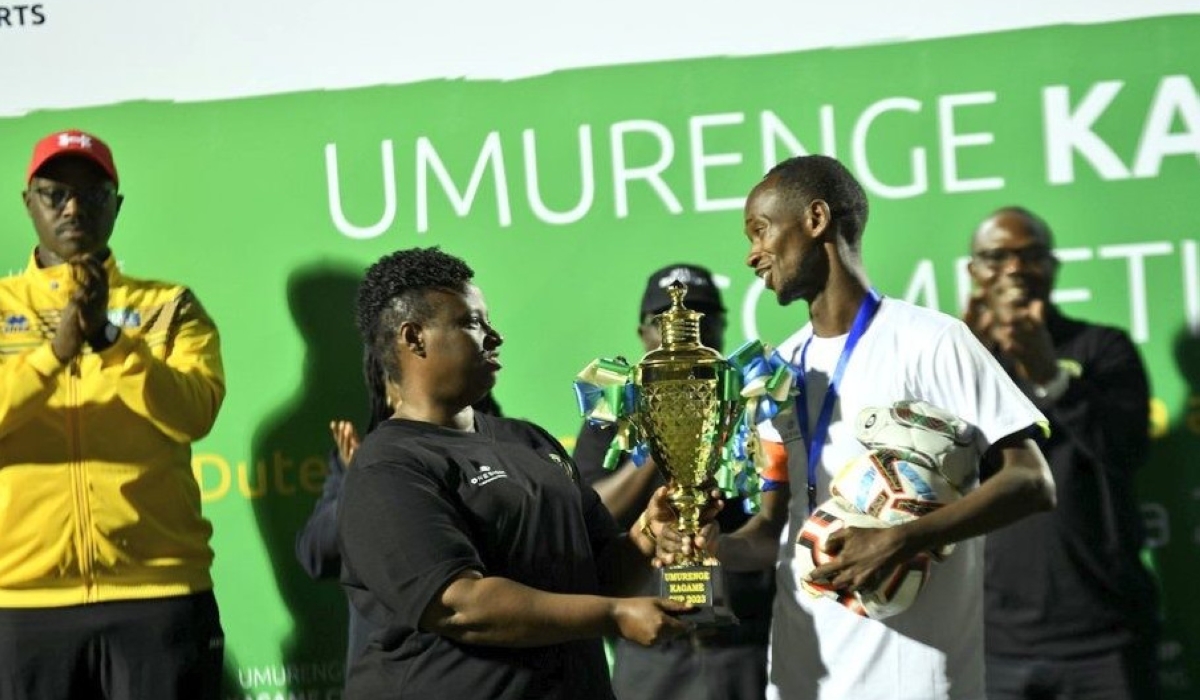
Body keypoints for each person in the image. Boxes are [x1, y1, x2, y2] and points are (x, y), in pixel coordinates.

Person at [663, 155, 1057, 700]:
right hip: (805, 677)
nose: (752, 254)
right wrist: (709, 549)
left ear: (816, 219)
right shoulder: (778, 371)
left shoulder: (933, 341)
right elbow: (773, 529)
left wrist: (901, 538)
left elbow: (1032, 482)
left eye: (760, 230)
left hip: (915, 678)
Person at [336, 246, 694, 700]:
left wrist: (645, 538)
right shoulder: (388, 467)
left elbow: (599, 575)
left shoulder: (528, 441)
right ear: (414, 338)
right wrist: (615, 615)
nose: (494, 336)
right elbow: (462, 606)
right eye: (472, 323)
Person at [0, 130, 226, 699]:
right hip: (21, 601)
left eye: (93, 194)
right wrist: (52, 356)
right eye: (54, 194)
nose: (73, 208)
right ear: (28, 202)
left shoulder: (169, 305)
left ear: (117, 206)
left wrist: (107, 338)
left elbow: (194, 412)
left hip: (161, 593)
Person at [964, 207, 1160, 700]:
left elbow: (1125, 450)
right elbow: (938, 468)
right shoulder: (962, 360)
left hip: (1104, 637)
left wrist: (1052, 377)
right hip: (993, 639)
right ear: (974, 272)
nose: (1014, 269)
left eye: (1030, 255)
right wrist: (971, 359)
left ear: (1052, 268)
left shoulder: (1102, 349)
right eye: (997, 257)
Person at [572, 263, 772, 699]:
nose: (680, 333)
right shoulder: (616, 408)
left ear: (719, 326)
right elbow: (591, 510)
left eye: (701, 317)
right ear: (642, 332)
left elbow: (778, 517)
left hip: (750, 646)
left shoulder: (751, 405)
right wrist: (662, 433)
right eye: (662, 321)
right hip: (654, 654)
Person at [294, 343, 504, 669]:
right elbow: (316, 556)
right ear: (386, 390)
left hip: (488, 669)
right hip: (391, 671)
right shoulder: (360, 460)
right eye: (399, 377)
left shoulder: (512, 450)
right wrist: (362, 489)